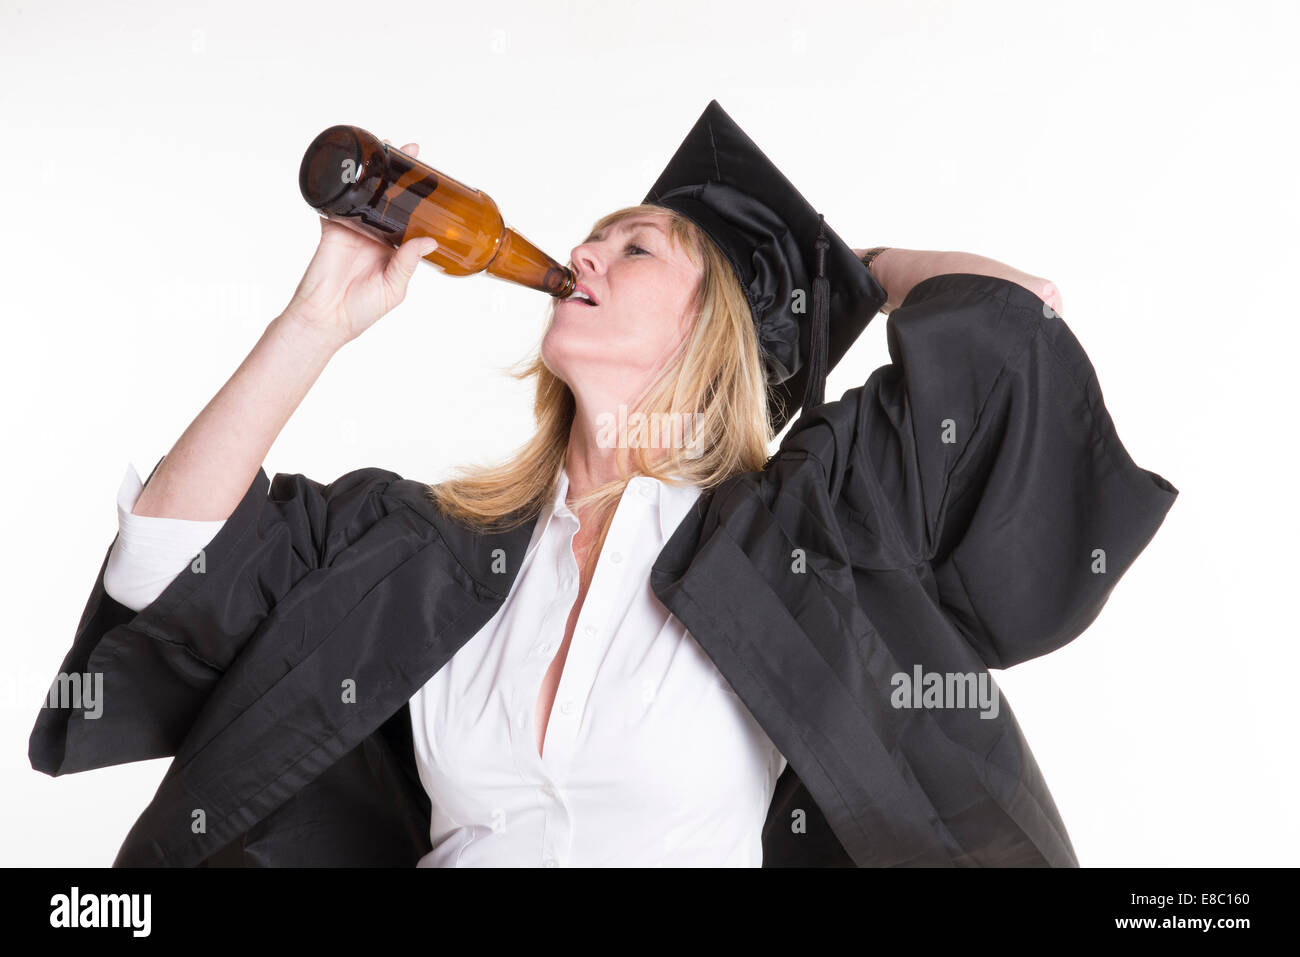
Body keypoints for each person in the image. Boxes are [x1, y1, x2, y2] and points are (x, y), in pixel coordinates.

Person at [30, 101, 1178, 867]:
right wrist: (314, 322)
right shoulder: (422, 548)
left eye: (633, 249)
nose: (580, 257)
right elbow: (167, 555)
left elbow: (1014, 334)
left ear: (715, 328)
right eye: (589, 241)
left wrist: (856, 276)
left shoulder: (794, 534)